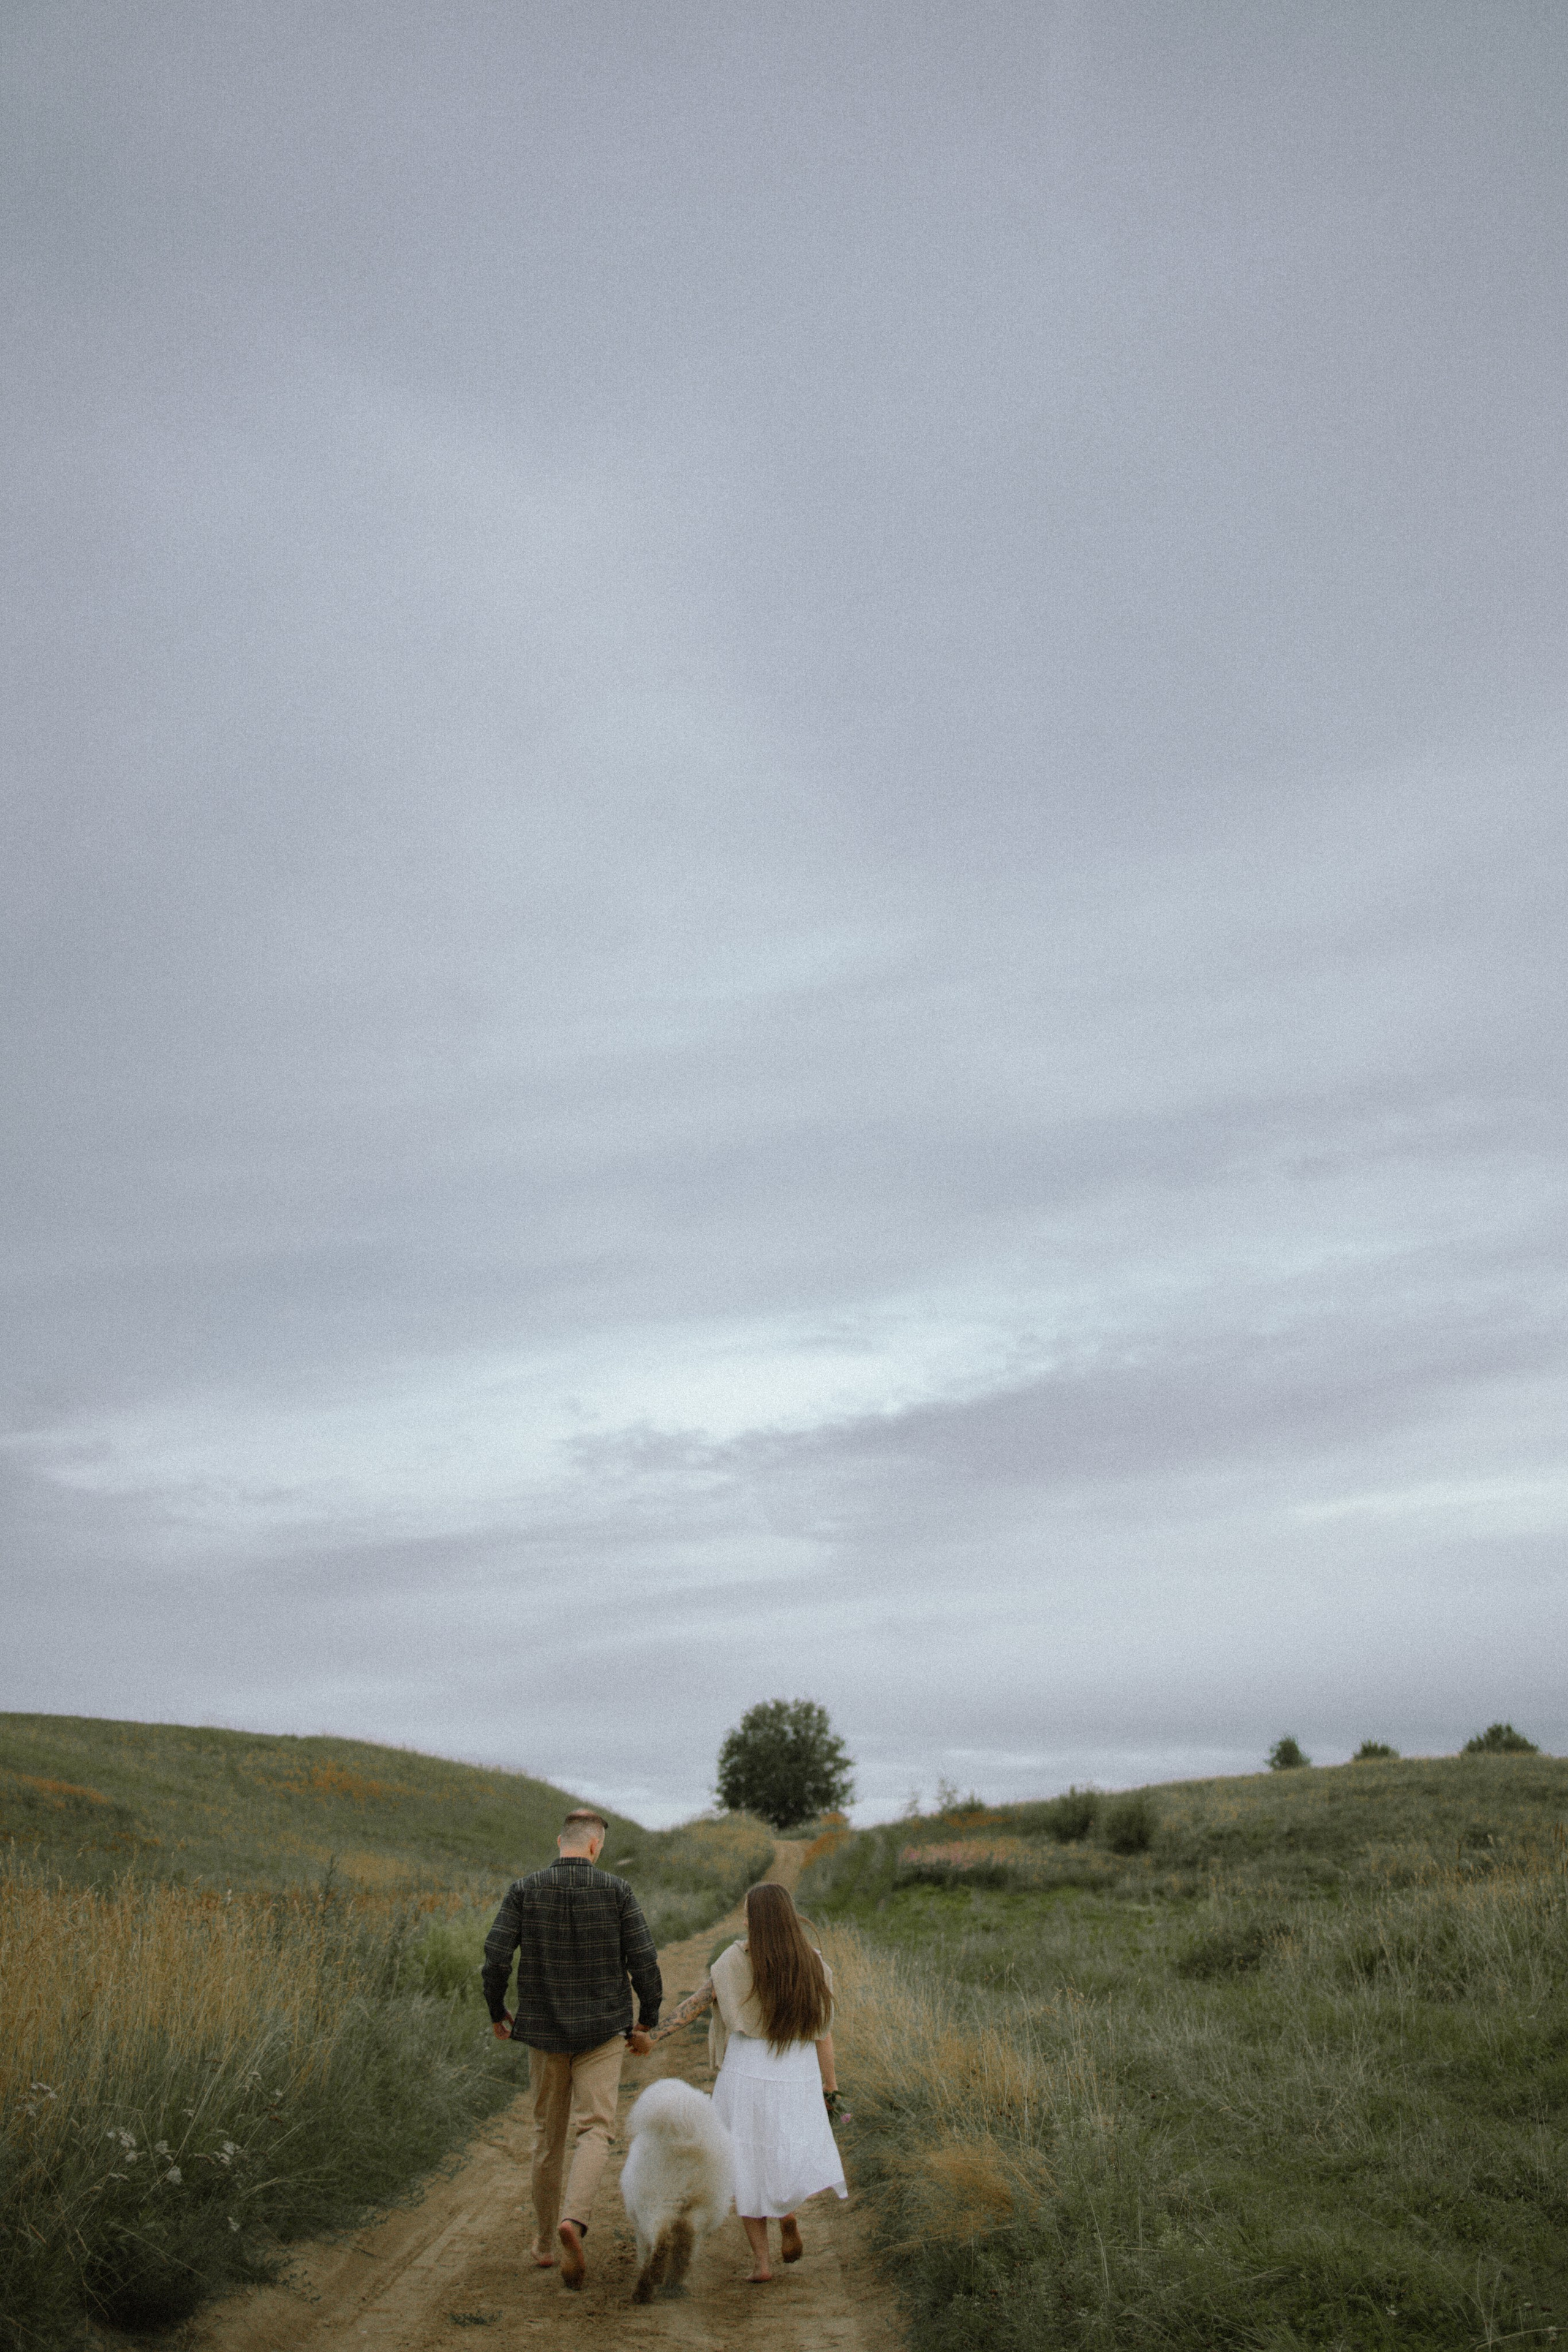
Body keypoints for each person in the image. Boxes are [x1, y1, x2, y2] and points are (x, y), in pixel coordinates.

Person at [481, 1807, 663, 2290]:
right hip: (602, 2030)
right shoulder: (616, 1891)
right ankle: (574, 2220)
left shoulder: (524, 1890)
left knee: (547, 2136)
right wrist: (648, 2016)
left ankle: (543, 2242)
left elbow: (496, 1955)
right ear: (594, 1846)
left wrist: (497, 2009)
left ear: (559, 1840)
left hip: (542, 2031)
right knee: (595, 2131)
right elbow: (644, 1958)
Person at [650, 1880, 845, 2282]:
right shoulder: (813, 1963)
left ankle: (761, 2263)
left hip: (747, 2069)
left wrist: (651, 2037)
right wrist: (830, 2085)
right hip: (795, 2071)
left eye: (746, 1912)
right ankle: (787, 2213)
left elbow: (695, 2006)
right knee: (785, 2149)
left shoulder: (732, 1961)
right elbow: (824, 2034)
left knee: (744, 2159)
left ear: (755, 1919)